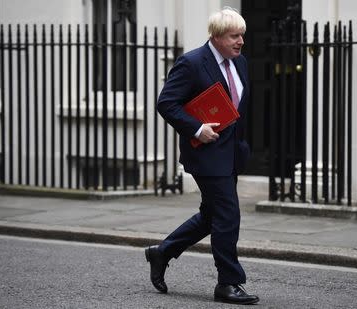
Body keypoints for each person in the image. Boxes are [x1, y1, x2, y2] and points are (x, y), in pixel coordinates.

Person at [145, 7, 259, 305]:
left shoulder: (240, 62)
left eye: (242, 35)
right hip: (206, 154)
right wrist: (196, 129)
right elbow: (167, 103)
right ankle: (228, 283)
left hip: (231, 153)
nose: (240, 41)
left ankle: (162, 252)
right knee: (228, 214)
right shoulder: (192, 62)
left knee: (212, 216)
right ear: (217, 36)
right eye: (235, 36)